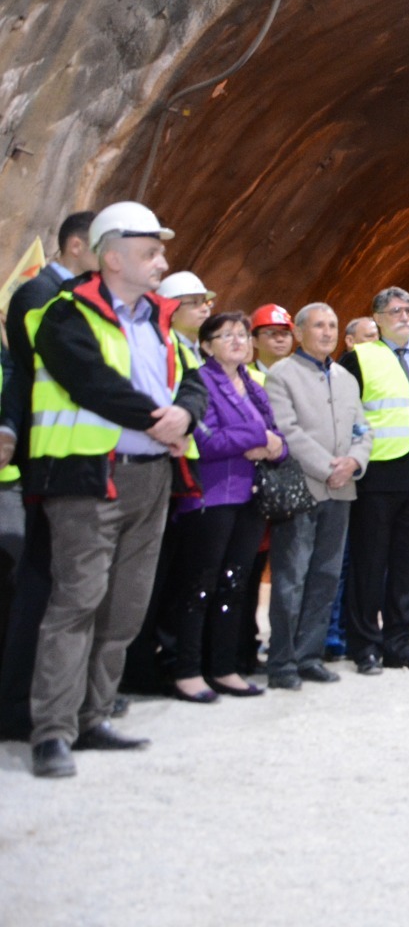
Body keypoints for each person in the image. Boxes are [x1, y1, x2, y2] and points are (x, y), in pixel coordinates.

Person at [26, 202, 206, 778]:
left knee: (124, 605)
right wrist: (160, 418)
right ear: (111, 257)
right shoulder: (64, 315)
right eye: (151, 252)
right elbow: (89, 381)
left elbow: (194, 378)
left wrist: (185, 414)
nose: (162, 262)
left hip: (152, 477)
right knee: (76, 601)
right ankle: (51, 732)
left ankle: (93, 715)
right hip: (88, 477)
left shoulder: (161, 319)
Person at [1, 210, 95, 742]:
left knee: (66, 584)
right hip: (52, 460)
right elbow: (35, 373)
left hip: (70, 459)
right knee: (42, 583)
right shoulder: (41, 295)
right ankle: (19, 704)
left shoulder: (75, 297)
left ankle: (56, 697)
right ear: (78, 246)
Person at [168, 312, 284, 702]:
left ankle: (224, 666)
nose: (238, 341)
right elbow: (210, 440)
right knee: (199, 585)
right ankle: (187, 670)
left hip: (250, 499)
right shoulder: (199, 383)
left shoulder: (253, 386)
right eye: (227, 335)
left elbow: (277, 435)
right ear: (206, 345)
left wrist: (276, 445)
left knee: (234, 583)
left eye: (243, 334)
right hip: (211, 498)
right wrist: (257, 436)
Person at [337, 286, 409, 674]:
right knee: (369, 563)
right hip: (377, 475)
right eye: (395, 311)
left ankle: (401, 643)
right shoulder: (359, 358)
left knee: (408, 566)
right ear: (377, 319)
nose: (404, 316)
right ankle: (364, 645)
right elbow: (347, 415)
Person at [261, 303, 367, 689]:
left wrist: (354, 462)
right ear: (300, 333)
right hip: (303, 490)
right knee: (291, 576)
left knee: (325, 575)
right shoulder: (281, 375)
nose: (326, 332)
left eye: (333, 326)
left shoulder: (345, 378)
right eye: (318, 326)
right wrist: (329, 468)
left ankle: (309, 655)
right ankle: (282, 662)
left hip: (342, 491)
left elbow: (363, 428)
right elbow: (287, 431)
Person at [157, 272, 214, 364]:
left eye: (205, 302)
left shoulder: (210, 350)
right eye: (194, 302)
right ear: (170, 311)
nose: (205, 309)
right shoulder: (162, 352)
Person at [248, 304, 295, 381]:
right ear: (254, 341)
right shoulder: (243, 377)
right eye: (272, 333)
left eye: (285, 333)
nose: (280, 339)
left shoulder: (303, 376)